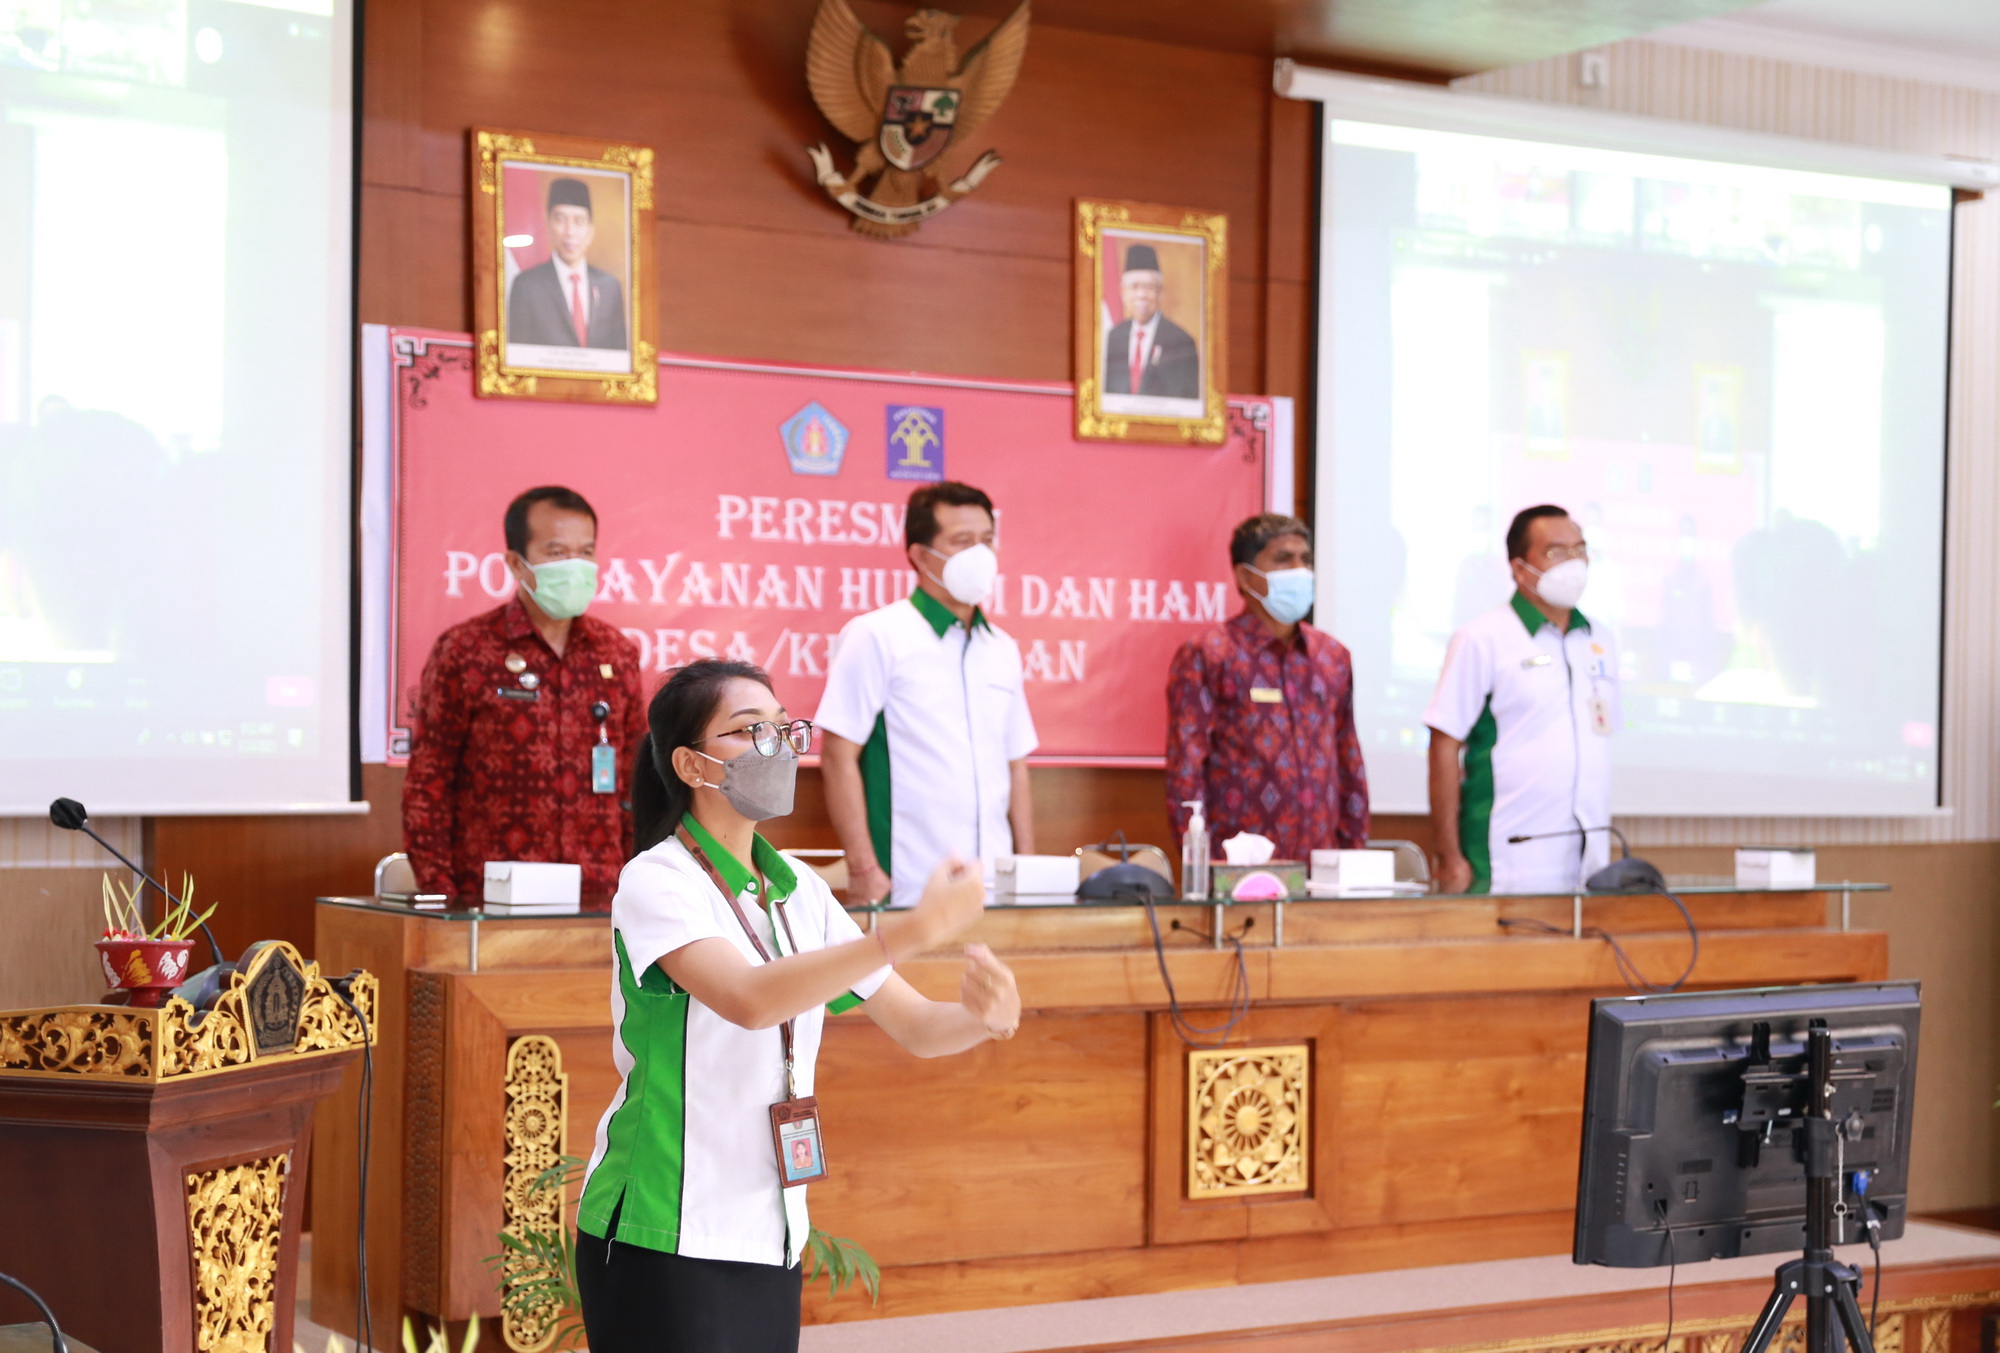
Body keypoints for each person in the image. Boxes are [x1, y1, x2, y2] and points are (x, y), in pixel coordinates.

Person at [574, 659, 1021, 1352]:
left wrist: (985, 1017)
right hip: (662, 1226)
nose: (778, 746)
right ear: (690, 765)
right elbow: (748, 999)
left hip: (769, 1232)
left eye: (784, 729)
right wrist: (911, 931)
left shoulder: (800, 891)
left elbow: (919, 1026)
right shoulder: (656, 880)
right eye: (750, 730)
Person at [402, 485, 645, 904]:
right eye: (557, 552)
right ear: (517, 563)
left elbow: (634, 781)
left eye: (585, 552)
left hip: (600, 895)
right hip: (490, 897)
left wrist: (636, 884)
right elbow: (429, 782)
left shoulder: (616, 653)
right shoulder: (466, 650)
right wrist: (441, 893)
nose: (574, 566)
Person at [816, 481, 1037, 908]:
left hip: (995, 891)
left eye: (987, 540)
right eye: (962, 541)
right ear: (919, 555)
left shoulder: (1002, 648)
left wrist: (1026, 871)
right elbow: (837, 757)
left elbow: (1016, 765)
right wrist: (864, 869)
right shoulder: (876, 636)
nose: (980, 554)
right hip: (909, 888)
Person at [1425, 504, 1621, 895]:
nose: (1573, 563)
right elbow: (1444, 744)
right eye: (1555, 552)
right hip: (1506, 858)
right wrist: (1449, 856)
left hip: (1588, 862)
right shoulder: (1482, 639)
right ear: (1519, 568)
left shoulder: (1599, 638)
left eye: (1580, 550)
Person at [1166, 514, 1368, 862]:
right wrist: (1202, 863)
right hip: (1239, 868)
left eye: (1305, 560)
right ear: (1245, 577)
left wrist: (1354, 856)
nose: (1300, 570)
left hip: (1323, 865)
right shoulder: (1209, 654)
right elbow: (1186, 768)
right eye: (1283, 559)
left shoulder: (1332, 657)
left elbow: (1349, 759)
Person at [506, 177, 629, 350]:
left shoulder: (609, 287)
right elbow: (518, 351)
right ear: (548, 224)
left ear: (590, 230)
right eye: (561, 219)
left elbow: (619, 352)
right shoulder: (526, 285)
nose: (570, 232)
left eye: (579, 221)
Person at [1101, 243, 1199, 399]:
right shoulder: (1113, 337)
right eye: (1134, 287)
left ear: (1160, 292)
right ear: (1122, 292)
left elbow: (1187, 397)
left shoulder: (1181, 342)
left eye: (1148, 287)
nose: (1141, 295)